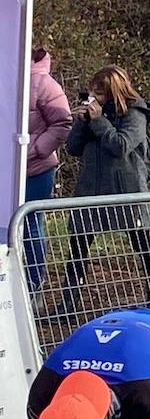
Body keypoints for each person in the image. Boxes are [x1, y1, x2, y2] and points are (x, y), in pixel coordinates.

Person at [58, 66, 150, 317]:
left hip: (125, 189)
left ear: (114, 92)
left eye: (100, 94)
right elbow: (73, 148)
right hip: (90, 188)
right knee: (78, 245)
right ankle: (68, 303)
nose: (95, 99)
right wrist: (83, 123)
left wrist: (99, 121)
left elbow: (121, 145)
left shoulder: (135, 114)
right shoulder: (94, 116)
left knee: (141, 242)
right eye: (92, 93)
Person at [24, 47, 73, 288]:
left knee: (30, 226)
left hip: (36, 169)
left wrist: (36, 150)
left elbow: (62, 122)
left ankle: (34, 285)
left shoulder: (43, 83)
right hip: (7, 167)